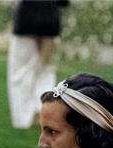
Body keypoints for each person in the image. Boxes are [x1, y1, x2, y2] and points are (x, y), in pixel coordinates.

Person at [8, 0, 69, 129]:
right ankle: (43, 112)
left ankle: (23, 118)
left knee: (20, 72)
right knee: (46, 70)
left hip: (26, 20)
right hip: (50, 20)